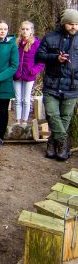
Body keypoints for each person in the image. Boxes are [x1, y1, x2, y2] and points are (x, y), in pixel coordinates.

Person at [35, 9, 78, 161]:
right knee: (52, 115)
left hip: (73, 86)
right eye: (71, 24)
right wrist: (55, 58)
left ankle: (53, 144)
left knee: (65, 117)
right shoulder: (50, 37)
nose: (74, 27)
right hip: (51, 84)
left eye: (76, 24)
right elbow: (39, 56)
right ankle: (63, 143)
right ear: (64, 23)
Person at [13, 21, 45, 127]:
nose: (25, 31)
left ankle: (25, 122)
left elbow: (41, 61)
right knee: (18, 99)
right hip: (17, 75)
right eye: (23, 29)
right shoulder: (16, 43)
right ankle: (17, 121)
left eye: (27, 29)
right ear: (20, 30)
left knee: (26, 99)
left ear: (31, 30)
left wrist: (34, 71)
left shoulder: (36, 43)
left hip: (29, 75)